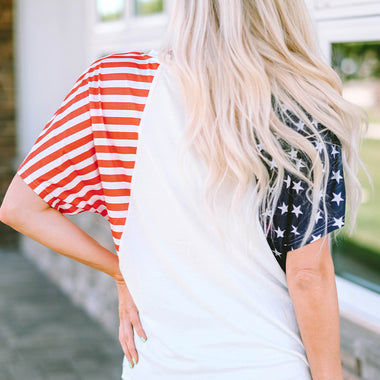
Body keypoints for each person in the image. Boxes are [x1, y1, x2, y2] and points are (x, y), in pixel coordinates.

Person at [0, 0, 367, 379]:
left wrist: (121, 272)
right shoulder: (298, 106)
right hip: (267, 363)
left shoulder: (111, 85)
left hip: (160, 367)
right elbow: (308, 276)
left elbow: (19, 208)